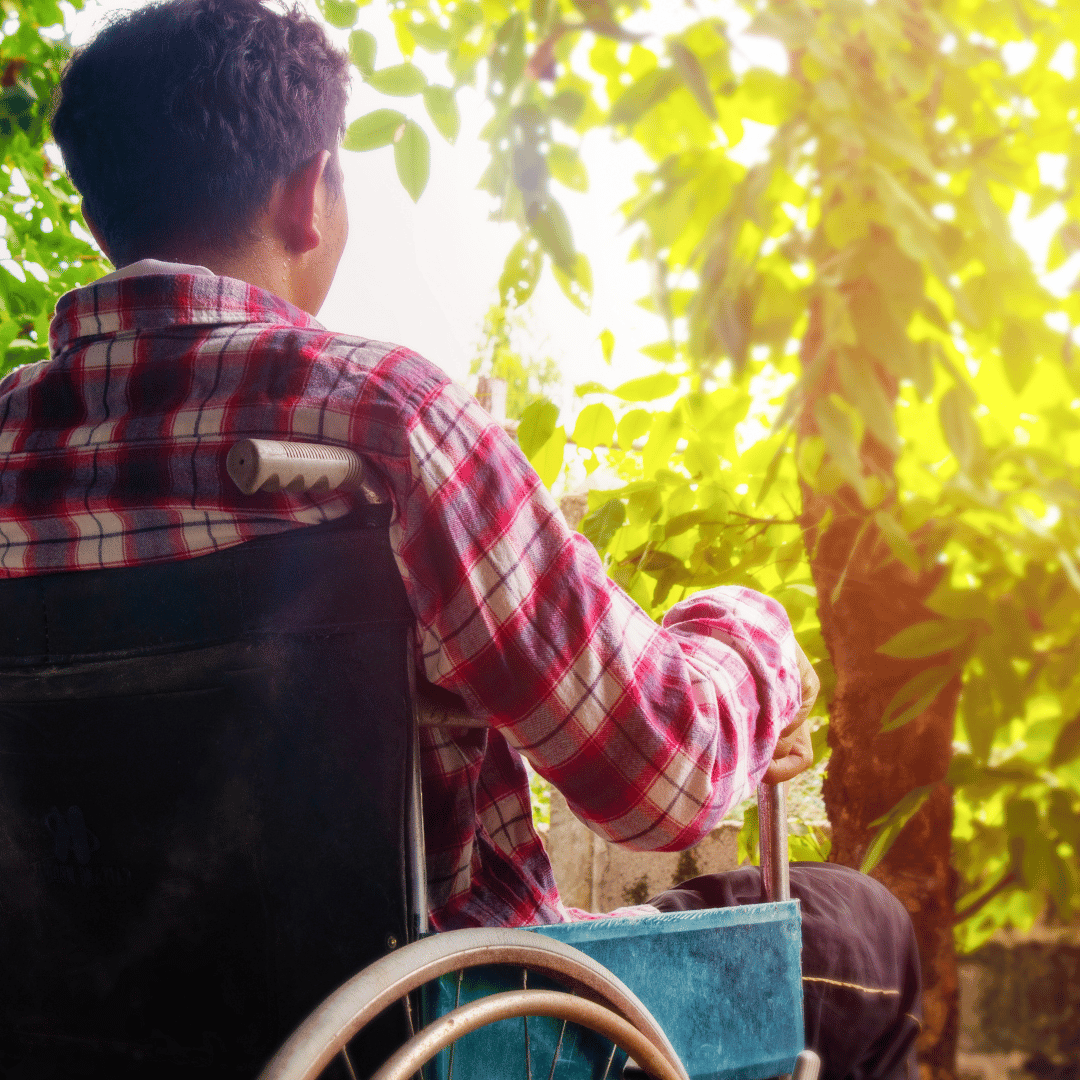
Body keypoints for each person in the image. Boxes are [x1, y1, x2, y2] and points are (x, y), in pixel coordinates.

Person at [0, 0, 921, 1075]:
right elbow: (658, 776)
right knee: (864, 929)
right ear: (310, 194)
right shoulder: (382, 416)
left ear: (103, 209)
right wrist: (754, 637)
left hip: (84, 1042)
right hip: (439, 1037)